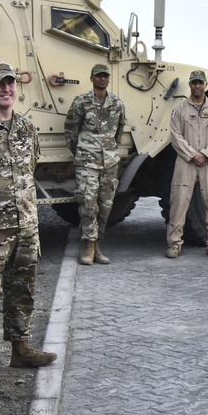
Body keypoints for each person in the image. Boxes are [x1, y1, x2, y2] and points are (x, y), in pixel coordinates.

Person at [0, 61, 55, 369]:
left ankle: (20, 348)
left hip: (26, 224)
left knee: (23, 288)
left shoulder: (25, 127)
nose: (6, 89)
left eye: (11, 83)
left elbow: (29, 168)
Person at [64, 63, 127, 266]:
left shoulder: (117, 103)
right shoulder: (81, 102)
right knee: (87, 205)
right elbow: (71, 130)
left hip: (109, 163)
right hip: (87, 162)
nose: (102, 79)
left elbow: (119, 130)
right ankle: (88, 246)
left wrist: (109, 151)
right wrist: (82, 151)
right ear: (91, 78)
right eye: (99, 76)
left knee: (105, 207)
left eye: (105, 76)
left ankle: (98, 246)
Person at [165, 69, 208, 259]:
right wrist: (193, 154)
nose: (197, 86)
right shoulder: (180, 110)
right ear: (190, 85)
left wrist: (205, 154)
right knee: (178, 202)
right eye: (194, 83)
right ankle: (175, 244)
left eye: (200, 83)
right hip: (186, 161)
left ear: (205, 85)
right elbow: (175, 136)